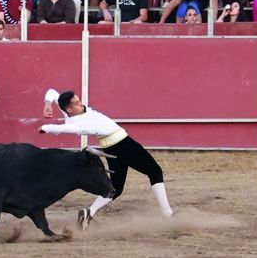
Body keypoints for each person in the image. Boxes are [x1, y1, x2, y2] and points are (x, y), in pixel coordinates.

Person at [39, 88, 174, 226]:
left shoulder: (70, 113)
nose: (81, 104)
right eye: (77, 103)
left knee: (116, 189)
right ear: (70, 109)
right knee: (155, 171)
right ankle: (168, 215)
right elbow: (63, 129)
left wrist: (48, 104)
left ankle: (89, 213)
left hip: (112, 147)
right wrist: (46, 127)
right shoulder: (78, 125)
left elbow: (52, 92)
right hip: (123, 144)